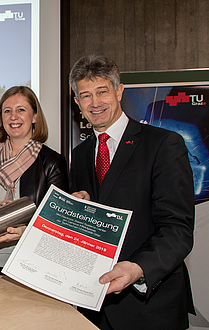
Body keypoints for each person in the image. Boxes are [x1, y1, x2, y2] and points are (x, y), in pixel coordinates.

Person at [69, 54, 195, 330]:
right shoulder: (79, 156)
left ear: (119, 91)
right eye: (86, 95)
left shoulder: (163, 145)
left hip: (149, 307)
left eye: (102, 91)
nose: (95, 102)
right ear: (77, 103)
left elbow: (177, 229)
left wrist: (137, 269)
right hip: (92, 307)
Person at [0, 86, 69, 276]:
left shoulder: (52, 162)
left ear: (35, 116)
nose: (13, 117)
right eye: (7, 111)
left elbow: (59, 223)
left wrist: (19, 220)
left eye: (21, 110)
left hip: (33, 265)